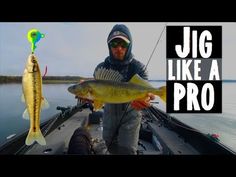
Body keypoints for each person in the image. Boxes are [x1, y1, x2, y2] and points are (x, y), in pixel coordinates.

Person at [93, 24, 155, 154]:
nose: (119, 48)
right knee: (109, 144)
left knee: (127, 149)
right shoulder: (101, 68)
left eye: (123, 44)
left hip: (132, 113)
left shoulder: (139, 68)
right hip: (109, 113)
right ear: (109, 46)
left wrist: (146, 99)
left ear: (129, 44)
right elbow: (96, 96)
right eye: (114, 44)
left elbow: (146, 92)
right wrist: (89, 97)